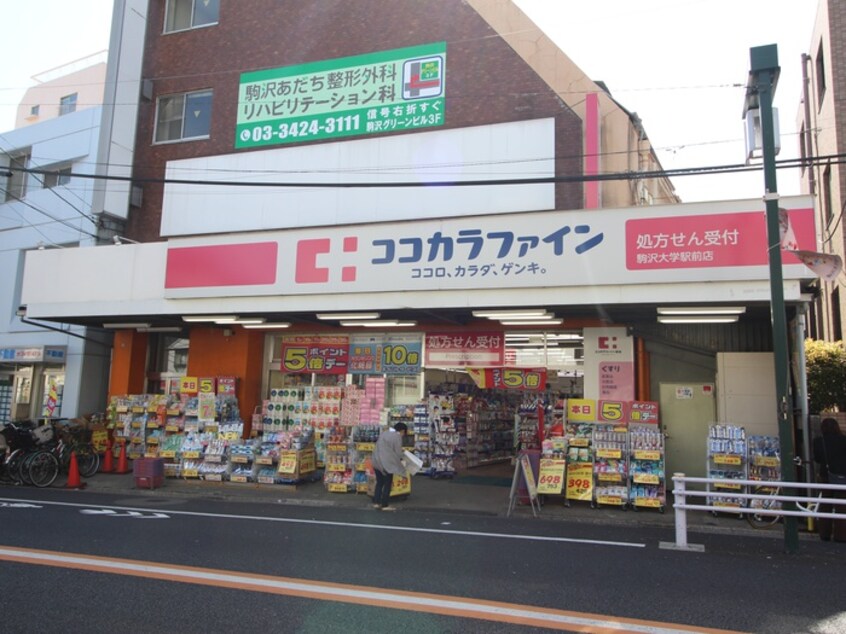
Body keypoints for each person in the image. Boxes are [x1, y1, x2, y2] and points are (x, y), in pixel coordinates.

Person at [812, 417, 846, 542]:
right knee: (842, 507)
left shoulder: (819, 441)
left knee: (825, 505)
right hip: (842, 477)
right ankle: (841, 536)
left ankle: (825, 534)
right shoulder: (844, 440)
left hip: (826, 475)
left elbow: (817, 458)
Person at [371, 422, 408, 511]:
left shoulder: (384, 433)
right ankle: (384, 505)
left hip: (376, 460)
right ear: (402, 431)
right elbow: (398, 453)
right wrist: (404, 457)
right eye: (404, 433)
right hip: (386, 463)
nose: (403, 435)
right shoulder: (397, 436)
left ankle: (376, 502)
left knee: (379, 482)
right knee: (387, 483)